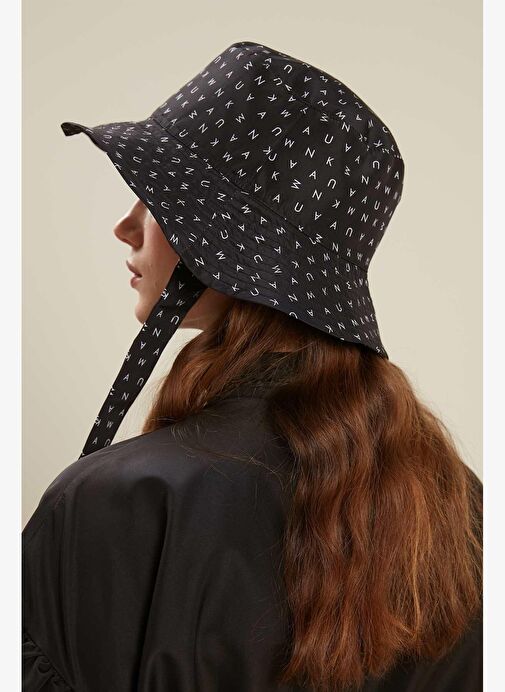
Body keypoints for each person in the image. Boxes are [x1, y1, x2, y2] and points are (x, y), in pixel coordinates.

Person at [22, 41, 482, 691]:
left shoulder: (119, 499)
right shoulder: (458, 510)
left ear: (221, 244)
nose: (126, 226)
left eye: (157, 199)